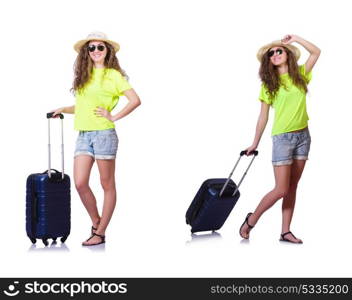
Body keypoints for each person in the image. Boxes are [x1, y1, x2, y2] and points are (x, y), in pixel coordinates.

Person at [52, 31, 141, 246]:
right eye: (91, 48)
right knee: (80, 183)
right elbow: (84, 107)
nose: (96, 51)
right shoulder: (85, 75)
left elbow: (135, 100)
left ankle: (100, 233)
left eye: (100, 47)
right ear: (86, 52)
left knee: (106, 184)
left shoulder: (113, 75)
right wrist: (64, 108)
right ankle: (97, 223)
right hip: (83, 134)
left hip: (103, 134)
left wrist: (113, 116)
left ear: (107, 50)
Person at [239, 34, 320, 243]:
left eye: (278, 51)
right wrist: (255, 142)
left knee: (292, 187)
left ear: (287, 55)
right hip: (282, 140)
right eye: (271, 53)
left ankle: (285, 231)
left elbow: (316, 52)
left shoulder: (301, 75)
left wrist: (295, 39)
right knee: (281, 188)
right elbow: (263, 116)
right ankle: (251, 220)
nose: (274, 54)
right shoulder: (269, 85)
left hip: (303, 136)